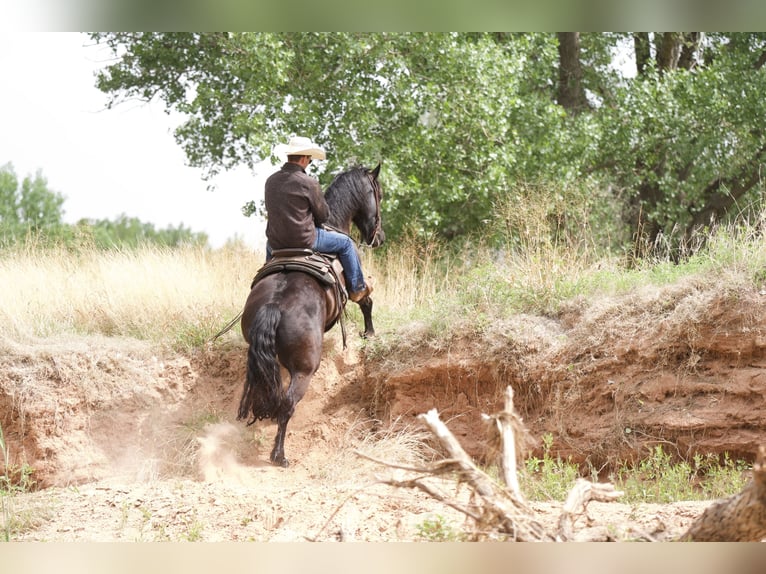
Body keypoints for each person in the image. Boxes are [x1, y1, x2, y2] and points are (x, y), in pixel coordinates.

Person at [263, 136, 373, 303]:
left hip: (275, 243)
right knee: (346, 244)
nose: (309, 162)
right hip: (306, 240)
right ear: (304, 158)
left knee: (268, 263)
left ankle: (266, 280)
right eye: (310, 159)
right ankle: (358, 289)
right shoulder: (308, 183)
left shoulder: (270, 181)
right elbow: (323, 216)